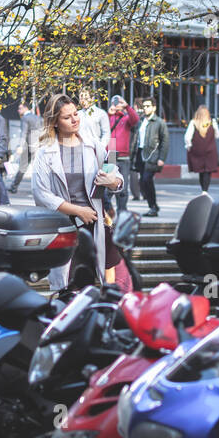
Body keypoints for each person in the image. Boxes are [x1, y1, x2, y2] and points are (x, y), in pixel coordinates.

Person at [32, 93, 124, 291]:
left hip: (94, 224)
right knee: (68, 287)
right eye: (67, 117)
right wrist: (77, 211)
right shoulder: (45, 152)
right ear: (55, 122)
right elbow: (41, 194)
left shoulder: (92, 145)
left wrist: (112, 182)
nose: (75, 120)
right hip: (64, 227)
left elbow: (116, 174)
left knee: (97, 279)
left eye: (76, 113)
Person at [133, 97, 169, 217]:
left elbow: (165, 141)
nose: (146, 108)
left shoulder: (159, 122)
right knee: (143, 183)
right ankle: (152, 206)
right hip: (140, 154)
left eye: (148, 106)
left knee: (146, 180)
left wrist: (162, 158)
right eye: (144, 106)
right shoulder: (141, 121)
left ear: (154, 107)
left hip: (152, 155)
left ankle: (153, 207)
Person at [107, 95, 139, 209]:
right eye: (115, 102)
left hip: (124, 157)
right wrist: (109, 114)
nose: (117, 105)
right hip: (110, 156)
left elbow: (135, 119)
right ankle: (108, 213)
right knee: (107, 186)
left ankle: (122, 212)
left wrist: (127, 107)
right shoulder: (107, 117)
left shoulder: (126, 119)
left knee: (123, 188)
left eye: (119, 102)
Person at [9, 100, 43, 194]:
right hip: (39, 145)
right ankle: (42, 188)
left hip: (28, 146)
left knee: (23, 167)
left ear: (25, 108)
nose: (18, 110)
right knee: (39, 168)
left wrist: (20, 145)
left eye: (20, 108)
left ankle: (14, 187)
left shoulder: (25, 118)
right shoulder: (38, 117)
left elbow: (24, 133)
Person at [184, 105, 219, 193]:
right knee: (208, 171)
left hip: (197, 150)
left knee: (201, 171)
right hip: (210, 151)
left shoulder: (193, 123)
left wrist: (188, 146)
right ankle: (205, 190)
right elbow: (217, 135)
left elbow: (187, 137)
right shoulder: (212, 122)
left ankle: (203, 188)